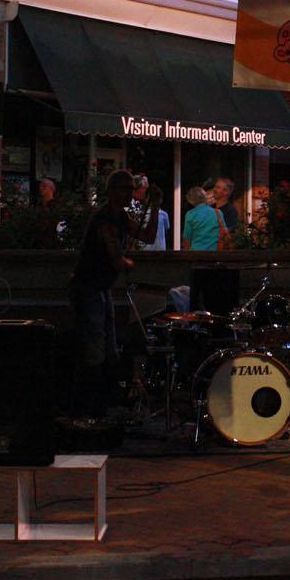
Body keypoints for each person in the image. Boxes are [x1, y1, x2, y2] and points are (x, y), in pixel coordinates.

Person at [69, 169, 162, 419]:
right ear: (112, 191)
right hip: (89, 288)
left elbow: (147, 235)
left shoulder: (118, 215)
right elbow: (117, 260)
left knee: (109, 347)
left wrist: (155, 207)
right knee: (96, 348)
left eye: (131, 190)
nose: (129, 195)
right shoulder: (105, 218)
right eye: (125, 189)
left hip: (101, 288)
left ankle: (101, 403)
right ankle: (87, 407)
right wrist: (126, 263)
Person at [130, 174, 169, 251]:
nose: (148, 191)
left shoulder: (143, 205)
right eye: (145, 188)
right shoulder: (129, 205)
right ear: (136, 189)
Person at [182, 185, 226, 251]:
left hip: (196, 253)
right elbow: (225, 233)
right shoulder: (218, 213)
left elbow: (187, 238)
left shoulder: (190, 214)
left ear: (191, 201)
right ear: (205, 197)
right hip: (215, 253)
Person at [211, 177, 240, 244]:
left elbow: (229, 231)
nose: (214, 189)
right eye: (215, 187)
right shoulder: (209, 208)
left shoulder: (231, 211)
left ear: (226, 192)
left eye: (218, 187)